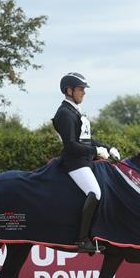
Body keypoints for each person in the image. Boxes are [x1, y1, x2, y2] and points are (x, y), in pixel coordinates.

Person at [52, 72, 120, 253]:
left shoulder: (75, 110)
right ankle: (82, 239)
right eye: (80, 89)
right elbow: (71, 145)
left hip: (85, 161)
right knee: (95, 192)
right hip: (74, 163)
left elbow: (86, 140)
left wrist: (107, 147)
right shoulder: (64, 113)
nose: (83, 93)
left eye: (83, 89)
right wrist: (95, 151)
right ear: (69, 90)